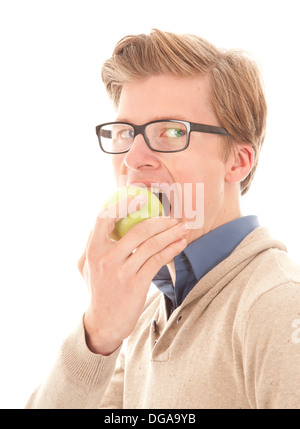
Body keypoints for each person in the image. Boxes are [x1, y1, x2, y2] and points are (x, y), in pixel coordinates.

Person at [26, 29, 300, 409]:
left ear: (237, 161)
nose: (133, 158)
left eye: (171, 131)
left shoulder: (280, 304)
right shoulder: (147, 317)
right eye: (124, 132)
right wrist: (98, 333)